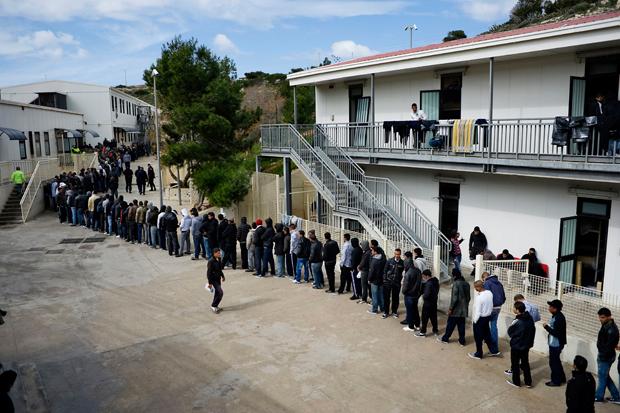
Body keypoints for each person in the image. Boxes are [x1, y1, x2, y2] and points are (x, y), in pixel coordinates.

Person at [506, 301, 536, 388]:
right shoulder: (530, 318)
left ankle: (516, 382)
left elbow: (510, 332)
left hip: (517, 346)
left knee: (515, 364)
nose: (513, 309)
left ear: (518, 310)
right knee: (525, 363)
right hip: (526, 345)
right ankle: (528, 382)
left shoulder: (518, 321)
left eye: (514, 308)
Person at [468, 280, 500, 359]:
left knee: (478, 337)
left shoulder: (479, 298)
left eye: (476, 287)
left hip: (480, 319)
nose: (475, 289)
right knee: (487, 335)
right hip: (487, 317)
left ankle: (479, 353)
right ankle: (494, 350)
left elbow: (478, 311)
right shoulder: (489, 293)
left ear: (479, 287)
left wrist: (474, 321)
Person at [438, 268, 470, 345]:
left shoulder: (456, 284)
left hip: (456, 309)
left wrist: (450, 309)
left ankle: (445, 338)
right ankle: (462, 341)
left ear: (454, 275)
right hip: (464, 309)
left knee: (450, 324)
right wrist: (465, 305)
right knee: (461, 325)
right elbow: (469, 298)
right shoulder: (467, 284)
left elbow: (454, 298)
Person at [595, 307, 620, 403]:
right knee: (605, 377)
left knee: (602, 378)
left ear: (609, 317)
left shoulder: (611, 330)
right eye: (600, 317)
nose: (600, 319)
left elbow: (608, 347)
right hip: (605, 356)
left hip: (605, 357)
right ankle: (616, 397)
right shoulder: (606, 324)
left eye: (603, 317)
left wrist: (602, 355)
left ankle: (599, 397)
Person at [544, 299, 567, 387]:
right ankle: (561, 378)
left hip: (556, 344)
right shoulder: (556, 316)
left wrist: (546, 327)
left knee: (553, 363)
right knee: (556, 361)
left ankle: (556, 381)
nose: (549, 308)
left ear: (555, 308)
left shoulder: (559, 318)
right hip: (554, 343)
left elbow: (556, 333)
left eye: (551, 307)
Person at [482, 271, 506, 352]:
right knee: (494, 326)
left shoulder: (487, 283)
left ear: (484, 278)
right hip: (498, 307)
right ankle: (494, 345)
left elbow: (486, 297)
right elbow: (504, 296)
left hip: (490, 307)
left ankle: (488, 344)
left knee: (484, 325)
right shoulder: (499, 283)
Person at [401, 251, 422, 331]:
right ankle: (417, 325)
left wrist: (404, 292)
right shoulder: (418, 271)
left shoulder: (408, 273)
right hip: (416, 294)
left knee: (410, 311)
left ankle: (410, 326)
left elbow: (405, 286)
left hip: (409, 295)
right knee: (415, 310)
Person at [415, 269, 439, 337]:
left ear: (427, 276)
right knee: (434, 317)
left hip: (427, 304)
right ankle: (435, 331)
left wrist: (423, 296)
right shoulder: (436, 281)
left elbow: (426, 295)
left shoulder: (428, 284)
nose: (423, 278)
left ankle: (423, 332)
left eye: (423, 276)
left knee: (424, 318)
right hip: (434, 303)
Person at [382, 248, 405, 319]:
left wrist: (400, 281)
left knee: (395, 298)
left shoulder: (402, 262)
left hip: (396, 283)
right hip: (388, 282)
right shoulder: (389, 261)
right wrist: (385, 280)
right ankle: (386, 312)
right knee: (386, 298)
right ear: (394, 254)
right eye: (396, 254)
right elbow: (385, 271)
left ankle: (394, 311)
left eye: (398, 254)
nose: (397, 255)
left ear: (400, 254)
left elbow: (403, 273)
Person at [367, 246, 386, 315]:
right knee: (381, 295)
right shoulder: (383, 259)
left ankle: (374, 310)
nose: (371, 252)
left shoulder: (374, 260)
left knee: (374, 295)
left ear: (375, 252)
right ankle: (382, 308)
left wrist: (369, 279)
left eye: (372, 251)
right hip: (381, 279)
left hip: (374, 280)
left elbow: (372, 271)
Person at [207, 248, 225, 313]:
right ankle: (213, 305)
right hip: (213, 280)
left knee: (217, 293)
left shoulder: (219, 259)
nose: (219, 254)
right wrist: (210, 283)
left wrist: (223, 276)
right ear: (214, 253)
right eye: (218, 253)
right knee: (220, 292)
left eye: (219, 253)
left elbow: (220, 269)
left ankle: (216, 306)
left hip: (218, 279)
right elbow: (209, 273)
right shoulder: (211, 261)